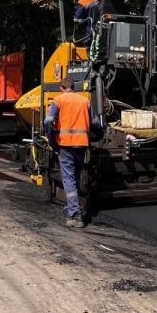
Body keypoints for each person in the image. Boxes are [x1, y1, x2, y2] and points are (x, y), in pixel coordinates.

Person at [43, 77, 102, 227]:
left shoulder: (58, 100)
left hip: (65, 144)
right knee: (75, 176)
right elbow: (96, 123)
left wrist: (52, 139)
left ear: (61, 88)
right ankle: (71, 207)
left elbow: (48, 122)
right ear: (73, 87)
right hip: (81, 144)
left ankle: (75, 215)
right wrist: (99, 136)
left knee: (69, 179)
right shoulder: (85, 101)